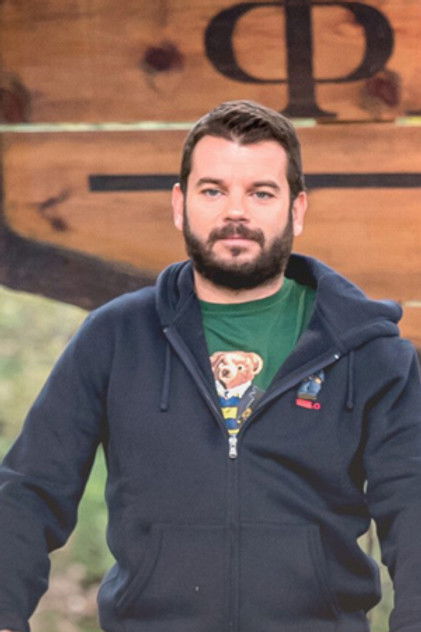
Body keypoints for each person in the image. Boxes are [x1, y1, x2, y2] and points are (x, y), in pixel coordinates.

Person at [0, 100, 420, 632]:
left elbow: (413, 507)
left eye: (261, 193)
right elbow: (29, 491)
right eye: (213, 191)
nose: (235, 212)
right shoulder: (115, 337)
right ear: (180, 205)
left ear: (297, 209)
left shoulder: (369, 351)